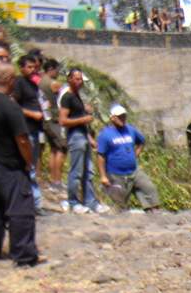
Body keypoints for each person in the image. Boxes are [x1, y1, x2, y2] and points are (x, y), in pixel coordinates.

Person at [0, 63, 40, 265]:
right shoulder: (9, 106)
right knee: (21, 211)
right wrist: (29, 162)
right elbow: (22, 139)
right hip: (9, 166)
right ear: (10, 80)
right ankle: (24, 255)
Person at [59, 68, 108, 214]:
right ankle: (73, 201)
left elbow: (80, 121)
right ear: (69, 79)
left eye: (80, 79)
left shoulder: (76, 96)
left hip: (82, 136)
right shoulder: (67, 97)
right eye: (76, 79)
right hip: (75, 137)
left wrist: (90, 138)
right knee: (76, 171)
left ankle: (90, 201)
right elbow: (63, 120)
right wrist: (83, 119)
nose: (79, 82)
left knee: (89, 170)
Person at [97, 104, 160, 212]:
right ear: (112, 118)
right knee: (119, 204)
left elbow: (141, 142)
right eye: (120, 116)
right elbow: (100, 156)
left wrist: (136, 154)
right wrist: (103, 176)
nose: (123, 119)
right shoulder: (105, 135)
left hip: (133, 171)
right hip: (116, 174)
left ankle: (153, 212)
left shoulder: (130, 130)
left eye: (124, 116)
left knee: (149, 189)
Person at [12, 55, 44, 214]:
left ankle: (34, 202)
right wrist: (32, 114)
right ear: (22, 68)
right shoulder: (19, 83)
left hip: (35, 129)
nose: (33, 70)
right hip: (26, 129)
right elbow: (14, 105)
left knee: (33, 165)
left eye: (34, 67)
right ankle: (34, 203)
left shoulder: (33, 84)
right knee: (28, 165)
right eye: (29, 67)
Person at [38, 58, 66, 191]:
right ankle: (57, 180)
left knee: (53, 150)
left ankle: (53, 180)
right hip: (54, 119)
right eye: (57, 70)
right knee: (60, 149)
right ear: (51, 69)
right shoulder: (54, 84)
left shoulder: (40, 81)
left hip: (45, 119)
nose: (58, 73)